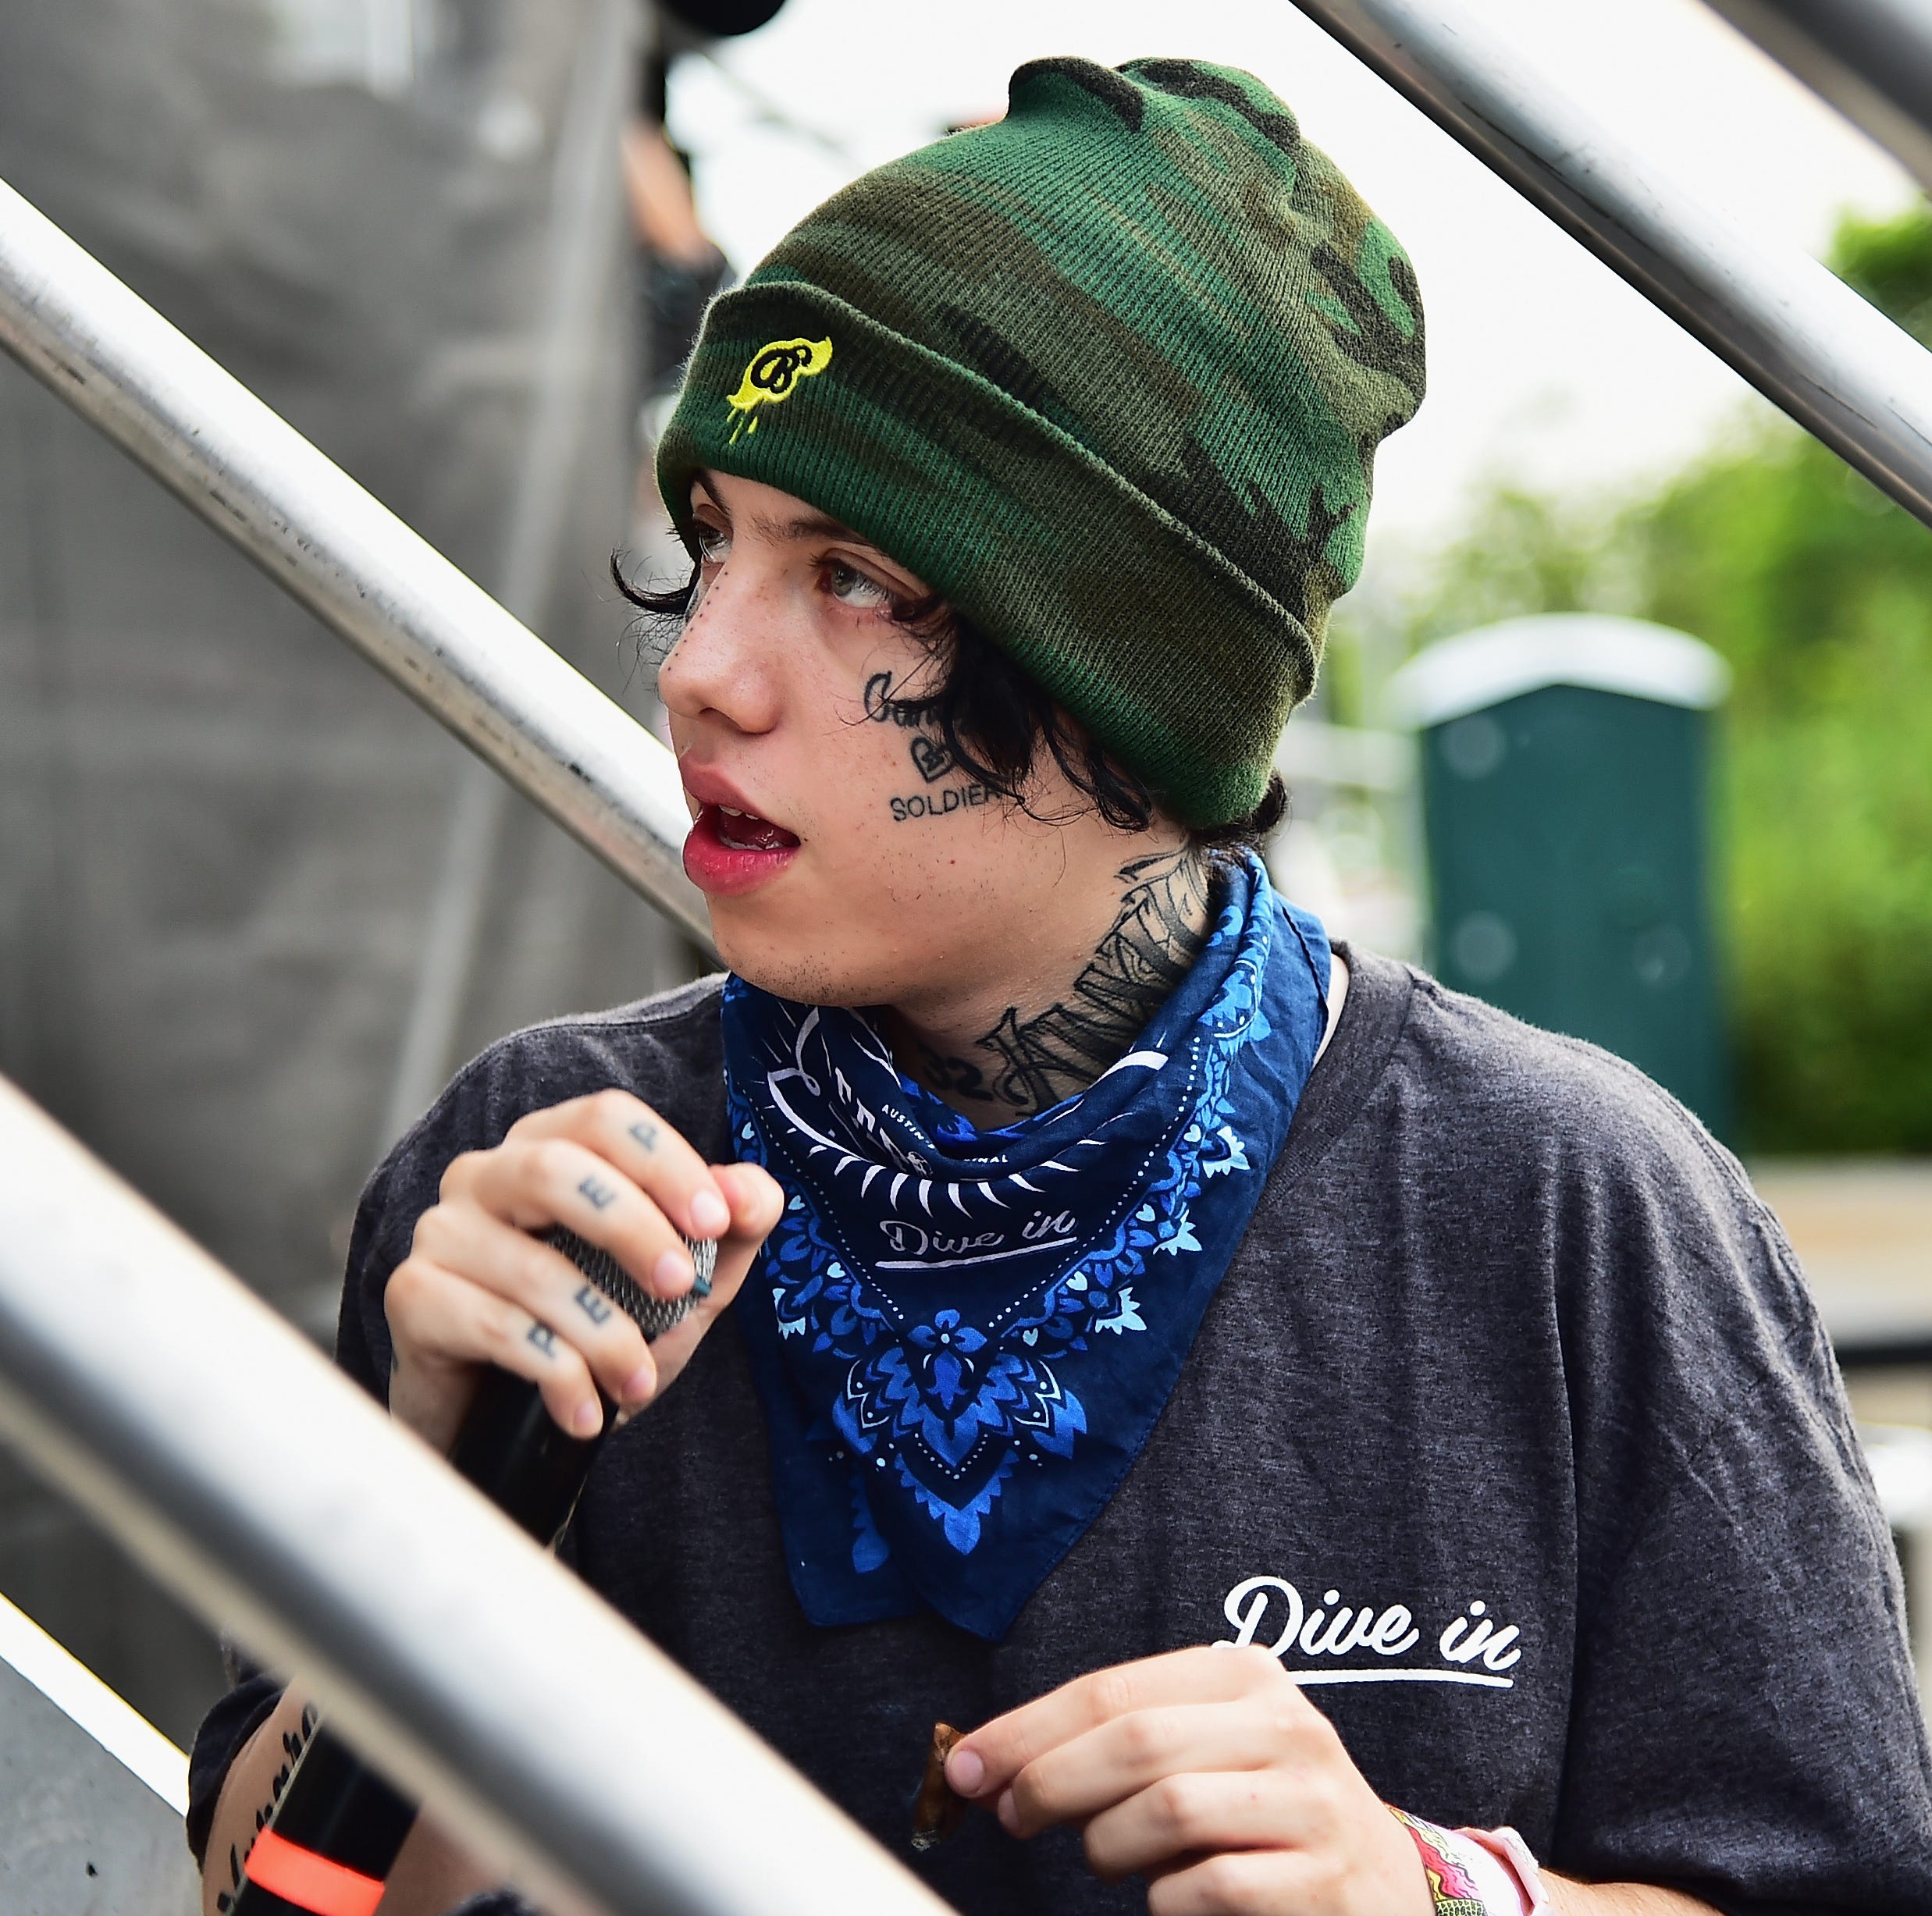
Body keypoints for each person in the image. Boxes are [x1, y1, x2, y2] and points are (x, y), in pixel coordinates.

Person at [189, 55, 1932, 1916]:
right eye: (709, 546)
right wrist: (447, 1518)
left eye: (848, 573)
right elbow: (261, 1901)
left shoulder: (1567, 1205)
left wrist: (1435, 1894)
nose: (699, 668)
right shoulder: (545, 1179)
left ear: (1126, 667)